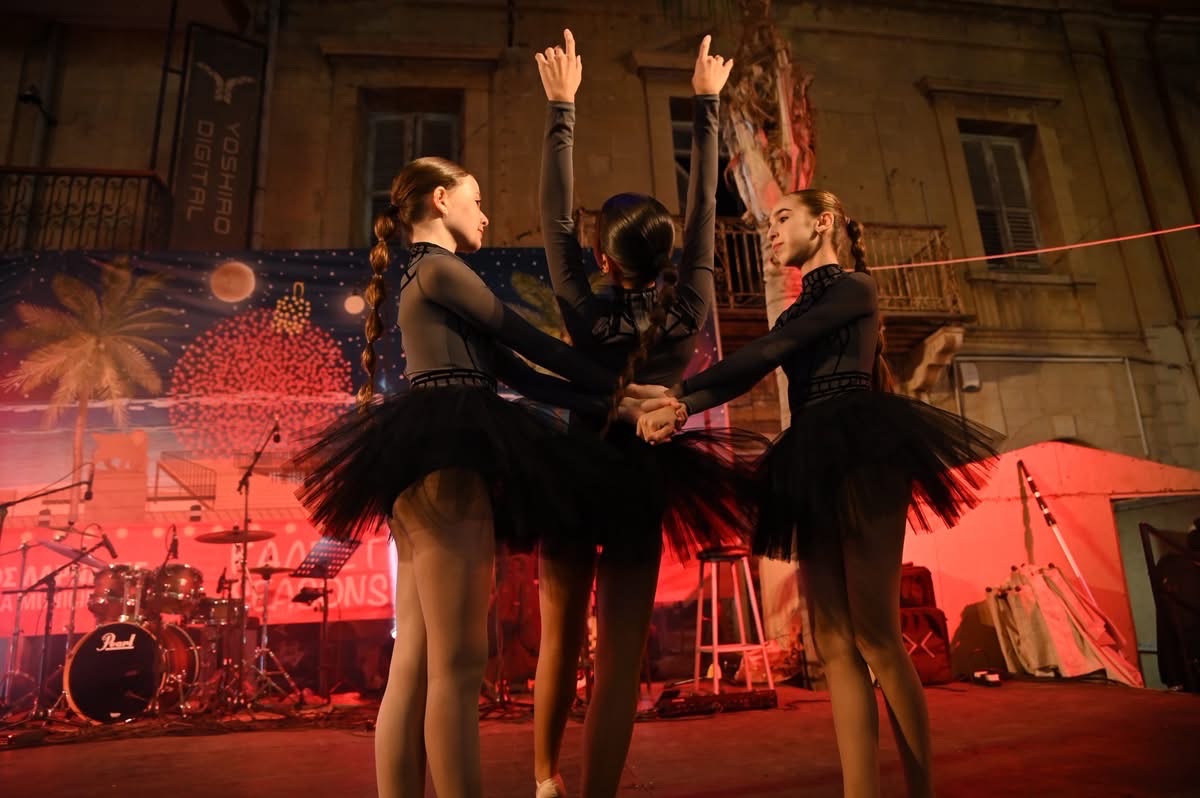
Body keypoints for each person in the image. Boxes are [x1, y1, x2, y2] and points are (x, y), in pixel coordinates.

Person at [292, 156, 658, 798]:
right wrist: (625, 384)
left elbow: (523, 375)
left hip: (424, 456)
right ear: (441, 199)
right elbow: (531, 342)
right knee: (459, 664)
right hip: (448, 456)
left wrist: (620, 401)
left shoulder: (424, 274)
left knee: (417, 660)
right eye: (478, 199)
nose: (486, 215)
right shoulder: (441, 269)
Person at [639, 190, 1001, 798]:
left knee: (877, 635)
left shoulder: (855, 288)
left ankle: (920, 790)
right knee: (832, 640)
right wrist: (683, 404)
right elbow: (757, 364)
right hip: (809, 454)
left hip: (863, 450)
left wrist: (682, 398)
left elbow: (769, 351)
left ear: (824, 222)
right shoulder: (794, 312)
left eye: (783, 218)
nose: (771, 231)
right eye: (769, 223)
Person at [532, 31, 763, 798]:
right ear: (670, 258)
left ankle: (544, 779)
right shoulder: (689, 302)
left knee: (560, 641)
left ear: (603, 259)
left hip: (575, 470)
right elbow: (704, 215)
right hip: (638, 478)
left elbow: (554, 221)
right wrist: (706, 103)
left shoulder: (584, 306)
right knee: (621, 657)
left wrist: (562, 108)